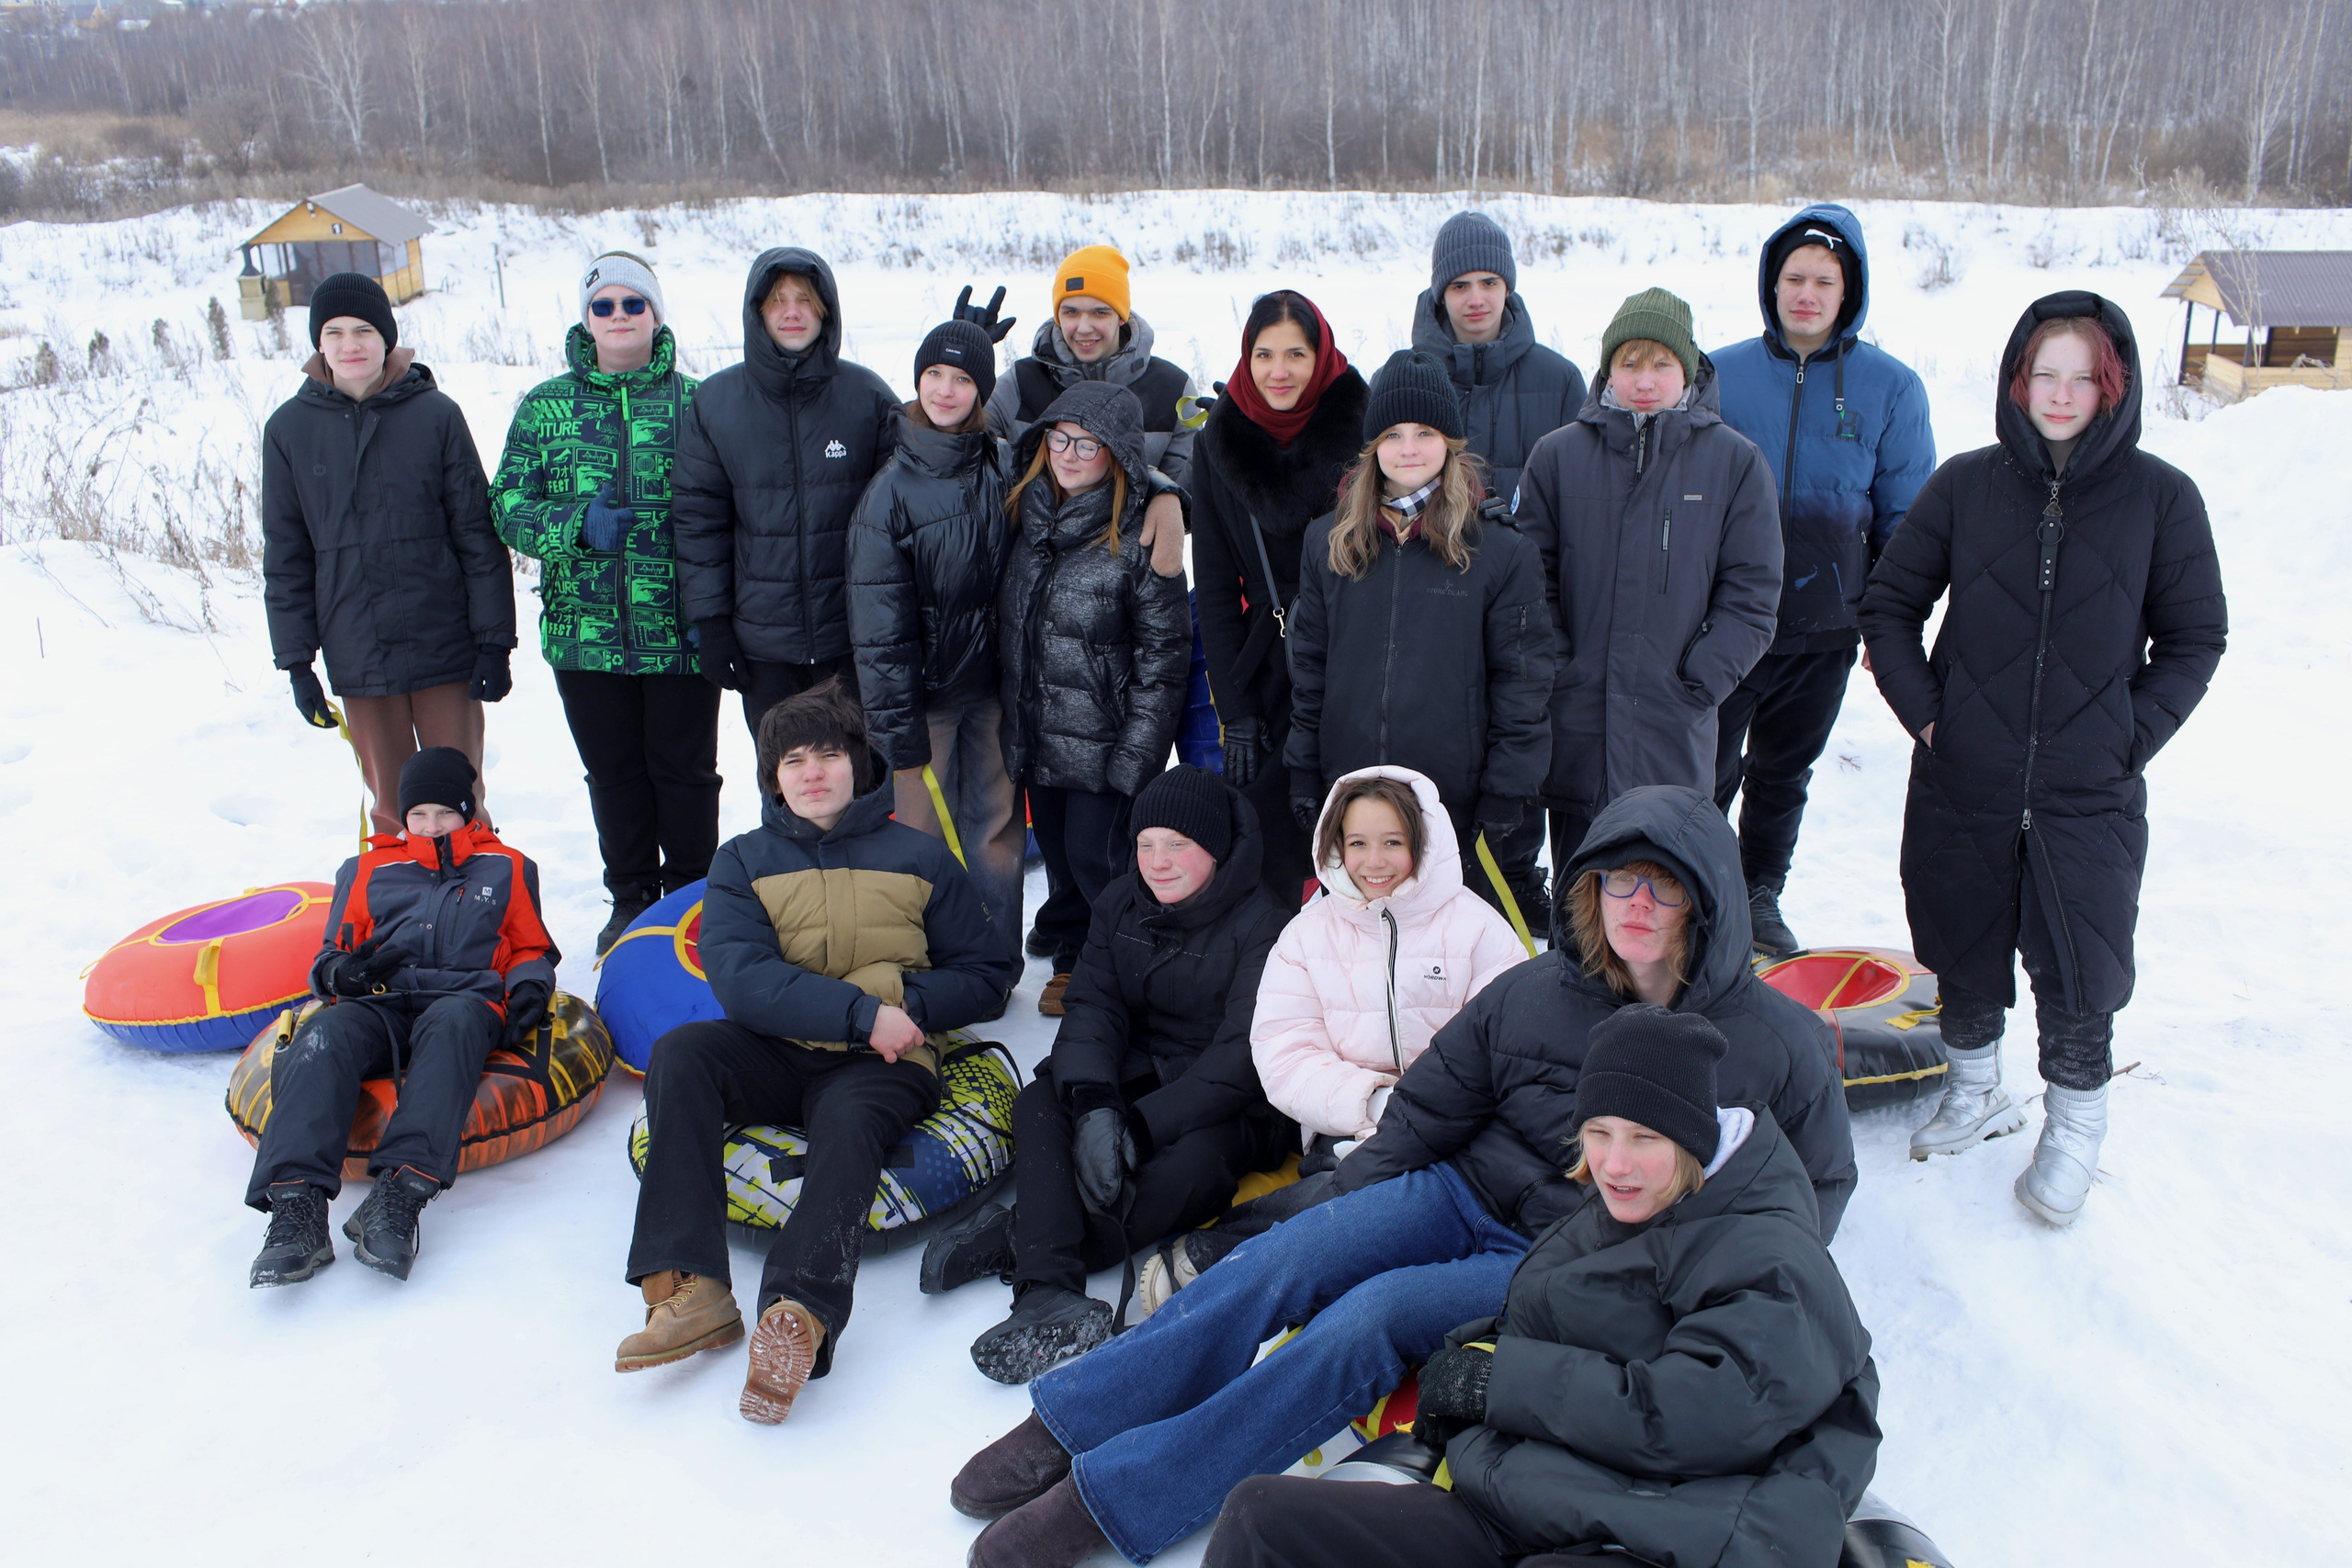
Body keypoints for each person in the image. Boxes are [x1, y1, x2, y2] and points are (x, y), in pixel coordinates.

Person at [946, 784, 1850, 1568]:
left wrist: (1663, 1300)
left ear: (1709, 904)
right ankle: (1065, 1423)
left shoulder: (1778, 1044)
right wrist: (1342, 1193)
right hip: (1460, 1189)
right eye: (1620, 878)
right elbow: (1432, 1105)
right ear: (1589, 886)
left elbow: (1801, 1206)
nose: (1637, 904)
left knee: (1366, 1321)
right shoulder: (1538, 991)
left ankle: (1115, 1498)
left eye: (1665, 886)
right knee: (1283, 1258)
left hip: (1569, 1256)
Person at [1199, 1007, 1881, 1568]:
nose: (1615, 1163)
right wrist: (1469, 1365)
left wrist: (1499, 1385)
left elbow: (1697, 1415)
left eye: (1645, 1136)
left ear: (1693, 1139)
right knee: (1263, 1517)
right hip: (1532, 1494)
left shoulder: (1766, 1252)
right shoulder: (1625, 1206)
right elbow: (1555, 1322)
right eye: (1600, 1133)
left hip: (1658, 1528)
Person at [1860, 291, 2226, 1226]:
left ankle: (2072, 1124)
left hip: (2086, 790)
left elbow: (2195, 639)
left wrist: (2126, 737)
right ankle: (1975, 1087)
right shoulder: (1964, 486)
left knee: (2081, 959)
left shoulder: (2161, 500)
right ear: (2017, 380)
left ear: (2113, 387)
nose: (2059, 395)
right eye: (2043, 374)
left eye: (2081, 377)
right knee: (1958, 934)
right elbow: (1890, 609)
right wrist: (1932, 722)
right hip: (1964, 774)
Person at [616, 680, 1017, 1420]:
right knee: (683, 1055)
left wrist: (910, 1010)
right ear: (773, 775)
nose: (811, 772)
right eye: (792, 759)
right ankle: (689, 1287)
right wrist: (863, 1010)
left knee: (850, 1126)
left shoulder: (920, 856)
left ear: (857, 762)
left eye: (828, 753)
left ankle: (799, 1310)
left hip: (883, 1063)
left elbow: (990, 973)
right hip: (775, 1048)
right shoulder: (741, 861)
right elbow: (741, 979)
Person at [922, 766, 1294, 1384]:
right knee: (1044, 1099)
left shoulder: (1265, 923)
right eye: (1146, 843)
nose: (1158, 860)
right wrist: (1095, 1102)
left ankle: (1026, 1233)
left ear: (1218, 848)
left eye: (1178, 844)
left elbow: (1243, 1056)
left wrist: (1141, 1129)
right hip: (1137, 1059)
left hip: (1231, 1100)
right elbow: (1094, 1004)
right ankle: (1048, 1289)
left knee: (1190, 1167)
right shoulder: (1122, 899)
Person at [1124, 767, 1523, 1317]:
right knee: (1358, 1189)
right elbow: (1284, 1051)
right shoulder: (1308, 934)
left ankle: (1223, 1253)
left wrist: (1425, 1115)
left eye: (1393, 843)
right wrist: (1373, 1104)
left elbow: (1509, 1050)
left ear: (1422, 842)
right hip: (1346, 1133)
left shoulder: (1480, 932)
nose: (1374, 861)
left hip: (1456, 1138)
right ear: (1335, 844)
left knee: (1398, 1201)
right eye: (1357, 843)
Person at [1512, 289, 1782, 940]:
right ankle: (1575, 1014)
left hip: (1672, 721)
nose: (1643, 381)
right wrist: (1559, 665)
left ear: (1687, 372)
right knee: (1583, 894)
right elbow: (1530, 577)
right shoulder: (1558, 456)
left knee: (1662, 892)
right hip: (1580, 719)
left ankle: (1661, 1030)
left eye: (1660, 364)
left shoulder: (1734, 463)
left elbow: (1753, 590)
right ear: (1607, 371)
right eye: (1629, 364)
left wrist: (1701, 678)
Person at [1711, 205, 1936, 955]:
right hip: (1723, 619)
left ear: (1850, 290)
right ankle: (1698, 887)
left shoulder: (1891, 388)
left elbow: (1909, 514)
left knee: (1782, 771)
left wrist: (1888, 621)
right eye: (1793, 277)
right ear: (1772, 286)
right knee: (1704, 768)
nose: (1806, 293)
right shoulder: (1719, 374)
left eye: (1824, 281)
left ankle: (1758, 891)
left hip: (1826, 622)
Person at [245, 748, 556, 1288]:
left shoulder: (505, 866)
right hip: (380, 1002)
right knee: (325, 1034)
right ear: (402, 816)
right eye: (418, 814)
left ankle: (397, 1198)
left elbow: (532, 947)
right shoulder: (366, 869)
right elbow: (328, 958)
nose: (431, 825)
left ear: (468, 811)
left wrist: (530, 987)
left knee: (456, 1024)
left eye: (445, 813)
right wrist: (346, 974)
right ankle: (296, 1212)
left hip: (462, 999)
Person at [492, 250, 718, 953]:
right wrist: (573, 527)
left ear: (655, 314)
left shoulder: (698, 404)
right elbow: (505, 505)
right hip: (584, 633)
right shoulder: (545, 406)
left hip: (678, 630)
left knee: (684, 775)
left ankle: (690, 896)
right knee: (614, 774)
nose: (619, 317)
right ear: (586, 318)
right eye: (604, 306)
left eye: (633, 304)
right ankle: (629, 899)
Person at [1283, 349, 1553, 931]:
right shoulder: (1327, 543)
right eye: (1393, 433)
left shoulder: (1501, 551)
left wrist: (1505, 791)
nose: (1409, 447)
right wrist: (1305, 770)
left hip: (1454, 797)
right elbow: (1310, 668)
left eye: (1425, 432)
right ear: (1372, 445)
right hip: (1354, 792)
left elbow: (1523, 683)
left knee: (1448, 953)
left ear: (1450, 442)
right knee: (1361, 947)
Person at [989, 244, 1193, 956]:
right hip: (1044, 736)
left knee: (1101, 850)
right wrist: (968, 361)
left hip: (1107, 737)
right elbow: (974, 444)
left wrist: (1166, 500)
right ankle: (1070, 925)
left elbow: (1164, 656)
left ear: (1123, 315)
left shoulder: (1168, 385)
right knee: (1066, 851)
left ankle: (1103, 957)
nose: (1083, 324)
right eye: (1069, 310)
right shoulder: (1022, 394)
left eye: (1098, 310)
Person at [262, 271, 513, 834]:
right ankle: (402, 914)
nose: (350, 345)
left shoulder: (436, 416)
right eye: (334, 332)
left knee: (458, 796)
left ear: (387, 337)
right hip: (359, 649)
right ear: (317, 342)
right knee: (395, 808)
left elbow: (477, 533)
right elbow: (287, 555)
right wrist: (297, 662)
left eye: (364, 331)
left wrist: (495, 640)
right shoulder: (288, 431)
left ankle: (483, 912)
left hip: (444, 644)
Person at [1413, 210, 1589, 922]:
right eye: (1461, 284)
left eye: (1490, 282)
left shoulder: (1558, 381)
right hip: (1436, 609)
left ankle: (1520, 881)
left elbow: (1583, 502)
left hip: (1530, 610)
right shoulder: (1412, 374)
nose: (1476, 298)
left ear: (1510, 289)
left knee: (1523, 750)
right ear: (1439, 294)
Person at [848, 312, 1026, 969]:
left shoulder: (1003, 464)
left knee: (995, 831)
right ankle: (921, 966)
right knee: (922, 837)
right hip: (925, 703)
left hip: (994, 694)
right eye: (933, 375)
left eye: (961, 378)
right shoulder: (888, 494)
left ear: (983, 391)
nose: (945, 390)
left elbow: (1086, 467)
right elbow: (878, 627)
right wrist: (896, 726)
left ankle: (992, 960)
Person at [1188, 289, 1369, 908]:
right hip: (1267, 666)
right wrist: (1234, 711)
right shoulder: (1219, 443)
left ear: (1321, 356)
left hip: (1353, 658)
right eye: (1264, 354)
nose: (1279, 370)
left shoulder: (1366, 431)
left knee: (1356, 833)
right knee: (1264, 843)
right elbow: (1213, 587)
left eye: (1297, 353)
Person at [672, 248, 899, 735]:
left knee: (858, 783)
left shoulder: (868, 397)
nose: (791, 312)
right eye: (777, 301)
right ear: (758, 314)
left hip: (852, 640)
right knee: (785, 782)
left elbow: (906, 511)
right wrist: (711, 624)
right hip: (763, 648)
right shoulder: (716, 403)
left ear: (825, 310)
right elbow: (698, 522)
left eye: (804, 299)